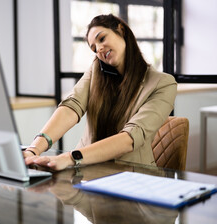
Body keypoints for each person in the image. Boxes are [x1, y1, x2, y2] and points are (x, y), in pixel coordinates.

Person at [23, 14, 177, 171]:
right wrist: (33, 149)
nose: (99, 49)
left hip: (133, 175)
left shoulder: (163, 83)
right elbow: (71, 107)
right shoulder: (96, 70)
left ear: (121, 30)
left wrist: (69, 158)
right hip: (86, 171)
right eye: (94, 48)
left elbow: (130, 137)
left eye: (102, 39)